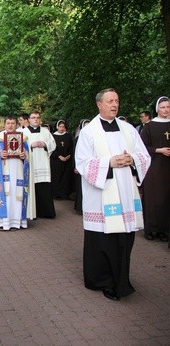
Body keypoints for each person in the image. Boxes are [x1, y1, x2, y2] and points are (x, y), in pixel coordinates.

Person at [75, 88, 151, 301]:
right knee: (103, 241)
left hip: (125, 194)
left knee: (123, 240)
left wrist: (132, 160)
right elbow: (81, 162)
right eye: (110, 101)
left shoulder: (128, 129)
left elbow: (144, 155)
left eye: (116, 100)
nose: (114, 104)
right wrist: (109, 162)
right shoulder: (89, 132)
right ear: (99, 104)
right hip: (101, 195)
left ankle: (121, 279)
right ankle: (103, 281)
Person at [140, 96, 170, 242]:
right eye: (163, 107)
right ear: (157, 108)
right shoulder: (149, 127)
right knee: (153, 199)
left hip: (167, 168)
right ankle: (151, 229)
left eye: (168, 107)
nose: (166, 109)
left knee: (166, 199)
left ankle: (164, 230)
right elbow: (142, 147)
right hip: (154, 168)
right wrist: (159, 150)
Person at [22, 111, 57, 218]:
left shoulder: (45, 131)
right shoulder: (23, 132)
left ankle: (47, 212)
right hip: (30, 163)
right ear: (29, 120)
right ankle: (32, 213)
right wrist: (30, 145)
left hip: (43, 163)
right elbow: (19, 147)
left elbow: (53, 143)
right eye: (33, 118)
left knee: (44, 187)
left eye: (37, 117)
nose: (36, 119)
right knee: (31, 187)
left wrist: (45, 144)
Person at [51, 120, 74, 200]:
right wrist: (59, 156)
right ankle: (56, 194)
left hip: (67, 160)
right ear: (57, 127)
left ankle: (65, 193)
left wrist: (69, 155)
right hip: (56, 160)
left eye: (63, 127)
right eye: (60, 126)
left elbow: (72, 147)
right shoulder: (53, 136)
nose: (61, 128)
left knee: (66, 177)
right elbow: (51, 148)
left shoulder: (68, 136)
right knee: (57, 177)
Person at [73, 119, 90, 214]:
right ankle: (80, 207)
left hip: (91, 166)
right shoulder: (78, 139)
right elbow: (75, 153)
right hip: (81, 166)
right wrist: (75, 166)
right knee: (81, 187)